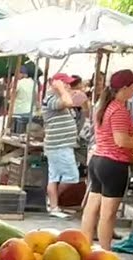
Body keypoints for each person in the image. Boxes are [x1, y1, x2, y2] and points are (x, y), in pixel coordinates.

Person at [82, 69, 133, 250]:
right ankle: (105, 253)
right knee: (108, 214)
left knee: (92, 207)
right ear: (124, 88)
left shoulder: (104, 106)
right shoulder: (119, 110)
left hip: (98, 160)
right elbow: (121, 141)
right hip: (113, 164)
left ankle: (85, 248)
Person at [43, 73, 79, 218]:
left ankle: (54, 204)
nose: (69, 86)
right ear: (56, 84)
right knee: (71, 176)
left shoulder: (58, 97)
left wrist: (67, 91)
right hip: (59, 145)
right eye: (66, 83)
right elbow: (68, 103)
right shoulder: (51, 98)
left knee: (55, 176)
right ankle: (53, 201)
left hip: (60, 144)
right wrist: (62, 90)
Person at [12, 66, 37, 134]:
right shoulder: (34, 83)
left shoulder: (18, 83)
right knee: (26, 135)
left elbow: (11, 95)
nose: (15, 75)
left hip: (19, 112)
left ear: (22, 74)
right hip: (31, 112)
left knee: (17, 136)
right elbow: (36, 98)